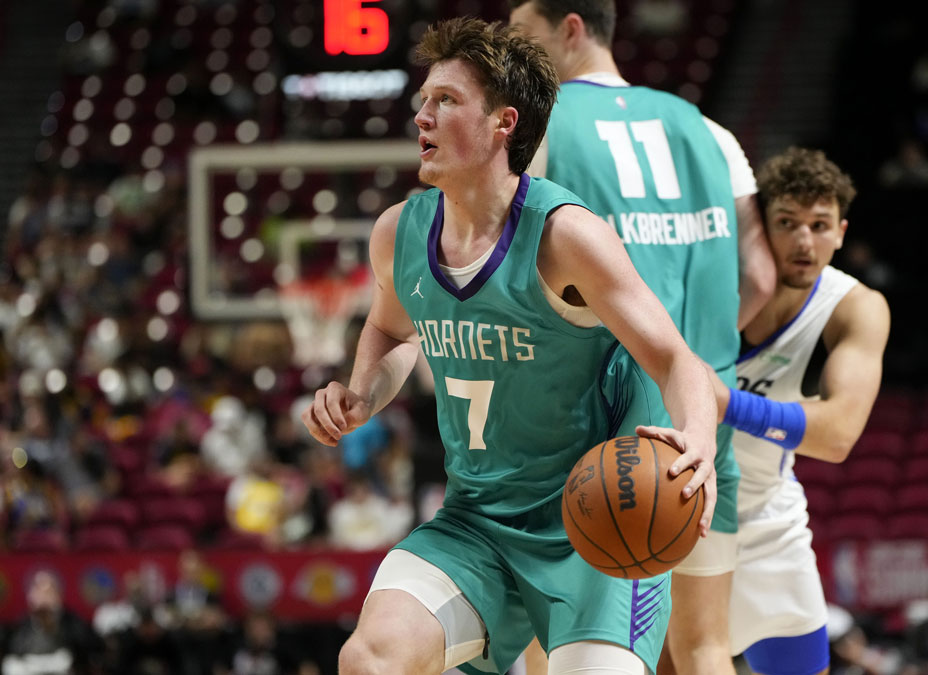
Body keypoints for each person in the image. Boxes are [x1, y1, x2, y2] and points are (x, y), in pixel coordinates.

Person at [301, 17, 719, 675]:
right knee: (370, 659)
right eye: (424, 100)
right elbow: (393, 329)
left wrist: (699, 440)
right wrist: (361, 394)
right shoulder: (398, 233)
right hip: (476, 523)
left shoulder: (566, 237)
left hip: (596, 524)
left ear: (504, 123)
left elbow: (674, 358)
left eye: (446, 100)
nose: (423, 117)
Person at [506, 2, 775, 672]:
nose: (513, 54)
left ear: (571, 29)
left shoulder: (539, 125)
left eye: (523, 36)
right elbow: (761, 277)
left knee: (554, 641)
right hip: (701, 424)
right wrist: (698, 348)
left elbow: (513, 276)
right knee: (704, 646)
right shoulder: (709, 130)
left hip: (591, 430)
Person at [713, 147, 890, 675]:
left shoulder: (855, 307)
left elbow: (838, 436)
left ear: (841, 232)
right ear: (759, 226)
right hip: (676, 508)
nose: (804, 241)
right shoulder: (711, 281)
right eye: (787, 223)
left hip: (766, 520)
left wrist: (724, 401)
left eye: (819, 225)